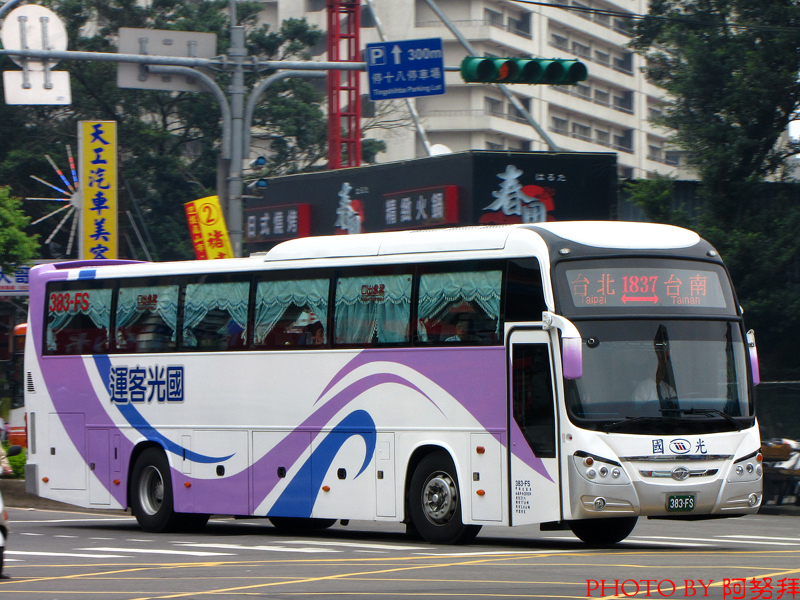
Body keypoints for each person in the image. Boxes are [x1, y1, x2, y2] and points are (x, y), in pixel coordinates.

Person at [633, 325, 678, 408]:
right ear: (649, 369)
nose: (661, 370)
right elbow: (638, 410)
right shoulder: (642, 388)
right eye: (657, 367)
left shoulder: (668, 388)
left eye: (662, 368)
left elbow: (676, 406)